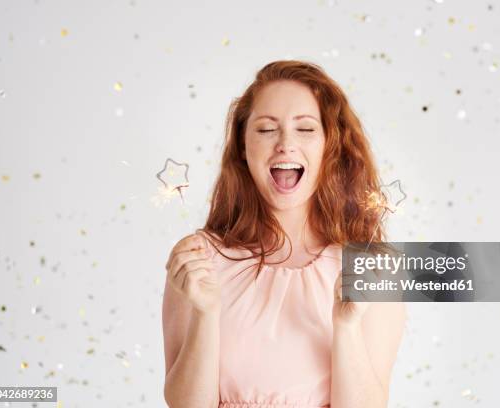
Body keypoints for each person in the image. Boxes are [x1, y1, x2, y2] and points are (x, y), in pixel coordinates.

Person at [162, 60, 406, 408]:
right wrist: (205, 313)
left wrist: (346, 326)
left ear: (329, 148)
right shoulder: (199, 259)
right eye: (266, 130)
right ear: (243, 149)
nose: (285, 144)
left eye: (305, 129)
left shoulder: (373, 267)